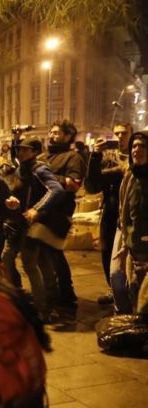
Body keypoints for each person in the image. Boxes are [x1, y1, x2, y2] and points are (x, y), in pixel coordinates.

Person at [3, 137, 66, 322]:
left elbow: (57, 190)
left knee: (31, 264)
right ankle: (22, 299)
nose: (20, 152)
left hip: (32, 225)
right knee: (7, 257)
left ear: (34, 151)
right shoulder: (19, 168)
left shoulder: (39, 168)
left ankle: (42, 308)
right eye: (19, 149)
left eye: (25, 149)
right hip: (18, 223)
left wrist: (36, 209)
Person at [40, 120, 86, 311]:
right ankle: (57, 290)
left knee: (53, 250)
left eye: (57, 132)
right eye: (51, 132)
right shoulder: (44, 156)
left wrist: (46, 176)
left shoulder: (73, 157)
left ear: (68, 136)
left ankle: (65, 292)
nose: (52, 135)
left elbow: (73, 184)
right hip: (42, 210)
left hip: (60, 212)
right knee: (45, 252)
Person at [85, 122, 132, 306]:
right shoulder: (110, 159)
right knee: (107, 251)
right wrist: (95, 156)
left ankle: (131, 289)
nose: (120, 137)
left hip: (133, 213)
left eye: (124, 133)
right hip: (112, 212)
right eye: (117, 133)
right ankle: (113, 289)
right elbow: (92, 186)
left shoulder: (137, 157)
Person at [116, 131, 148, 318]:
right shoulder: (130, 175)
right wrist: (124, 246)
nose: (137, 150)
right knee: (135, 295)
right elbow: (125, 213)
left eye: (143, 146)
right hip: (133, 248)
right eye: (134, 146)